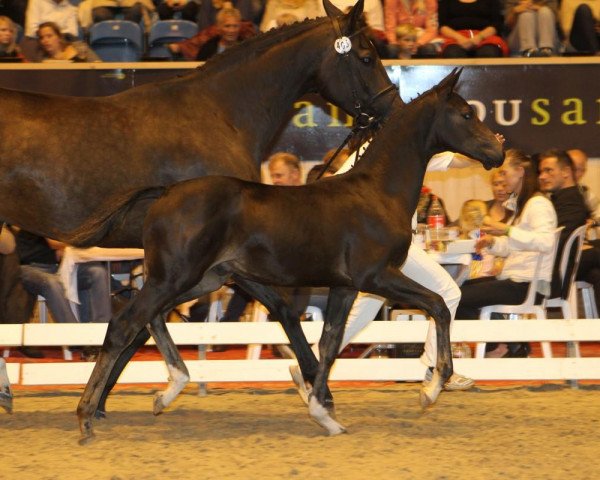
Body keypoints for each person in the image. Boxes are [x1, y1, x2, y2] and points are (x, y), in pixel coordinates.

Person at [456, 149, 558, 358]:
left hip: (527, 283)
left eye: (504, 173)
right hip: (517, 280)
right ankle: (511, 344)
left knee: (456, 296)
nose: (501, 178)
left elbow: (546, 242)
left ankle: (500, 347)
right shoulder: (524, 205)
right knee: (455, 289)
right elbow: (514, 244)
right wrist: (492, 242)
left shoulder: (537, 204)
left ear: (520, 172)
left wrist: (507, 230)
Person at [15, 230, 112, 358]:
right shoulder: (30, 220)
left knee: (97, 272)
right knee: (53, 283)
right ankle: (77, 339)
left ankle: (102, 335)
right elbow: (29, 252)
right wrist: (59, 252)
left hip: (64, 266)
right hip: (29, 268)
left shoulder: (61, 219)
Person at [168, 6, 257, 60]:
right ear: (218, 27)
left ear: (240, 27)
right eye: (227, 26)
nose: (231, 30)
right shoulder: (208, 49)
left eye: (235, 26)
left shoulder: (247, 48)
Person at [438, 0, 508, 58]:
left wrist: (479, 37)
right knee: (453, 53)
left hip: (486, 37)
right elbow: (442, 26)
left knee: (488, 53)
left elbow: (496, 24)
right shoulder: (446, 1)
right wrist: (460, 38)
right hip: (454, 38)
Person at [36, 21, 100, 62]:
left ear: (59, 37)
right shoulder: (44, 62)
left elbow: (98, 64)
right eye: (42, 38)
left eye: (49, 36)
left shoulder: (79, 47)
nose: (45, 40)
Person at [568, 148, 600, 225]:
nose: (572, 172)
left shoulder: (584, 192)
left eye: (577, 169)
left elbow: (598, 211)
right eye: (570, 168)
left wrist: (594, 221)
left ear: (583, 172)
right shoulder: (550, 191)